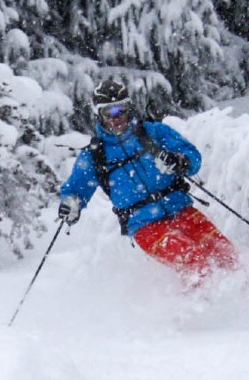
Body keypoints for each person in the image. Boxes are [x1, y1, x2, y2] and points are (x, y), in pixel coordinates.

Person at [56, 78, 238, 280]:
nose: (116, 118)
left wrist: (180, 161)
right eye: (109, 112)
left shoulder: (154, 133)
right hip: (145, 224)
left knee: (226, 254)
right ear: (99, 114)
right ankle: (204, 309)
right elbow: (76, 188)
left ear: (129, 107)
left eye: (121, 109)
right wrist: (71, 204)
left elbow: (192, 156)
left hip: (181, 209)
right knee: (194, 262)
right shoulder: (95, 155)